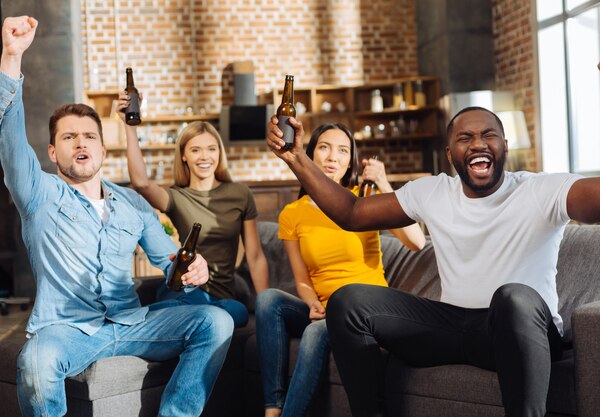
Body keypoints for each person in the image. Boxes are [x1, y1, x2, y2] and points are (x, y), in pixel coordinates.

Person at [266, 55, 600, 417]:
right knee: (348, 301)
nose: (477, 143)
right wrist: (296, 157)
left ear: (504, 143)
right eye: (465, 138)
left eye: (488, 135)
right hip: (451, 328)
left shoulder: (540, 189)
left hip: (518, 329)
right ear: (450, 153)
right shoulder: (434, 191)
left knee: (513, 297)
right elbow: (351, 213)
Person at [1, 16, 234, 417]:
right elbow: (7, 130)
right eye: (69, 137)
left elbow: (168, 264)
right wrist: (11, 56)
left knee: (216, 322)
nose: (81, 143)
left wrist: (190, 268)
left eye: (89, 136)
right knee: (36, 364)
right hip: (67, 329)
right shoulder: (37, 192)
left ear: (102, 150)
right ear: (53, 152)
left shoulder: (132, 204)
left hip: (131, 323)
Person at [256, 123, 425, 417]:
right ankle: (272, 407)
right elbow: (301, 278)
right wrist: (310, 303)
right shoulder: (292, 213)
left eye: (343, 150)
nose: (333, 156)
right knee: (267, 300)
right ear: (309, 155)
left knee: (315, 333)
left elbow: (417, 242)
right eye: (324, 147)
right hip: (323, 307)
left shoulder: (364, 198)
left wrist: (386, 186)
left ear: (350, 162)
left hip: (363, 311)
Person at [116, 98, 269, 328]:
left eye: (211, 149)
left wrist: (265, 305)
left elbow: (255, 256)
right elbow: (141, 183)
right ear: (184, 156)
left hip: (222, 298)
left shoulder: (240, 194)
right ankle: (148, 319)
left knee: (236, 312)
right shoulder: (177, 197)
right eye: (195, 150)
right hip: (183, 291)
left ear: (219, 153)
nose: (204, 157)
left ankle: (143, 319)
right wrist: (129, 126)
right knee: (213, 312)